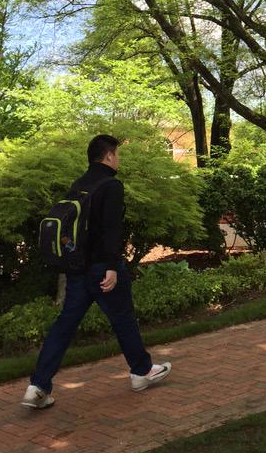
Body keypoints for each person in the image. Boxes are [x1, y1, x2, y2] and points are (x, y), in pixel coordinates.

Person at [22, 134, 171, 409]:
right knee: (124, 319)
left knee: (64, 326)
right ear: (109, 156)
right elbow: (111, 230)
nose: (119, 159)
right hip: (103, 269)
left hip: (77, 270)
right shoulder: (111, 185)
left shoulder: (80, 184)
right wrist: (112, 267)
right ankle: (142, 372)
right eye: (117, 154)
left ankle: (37, 386)